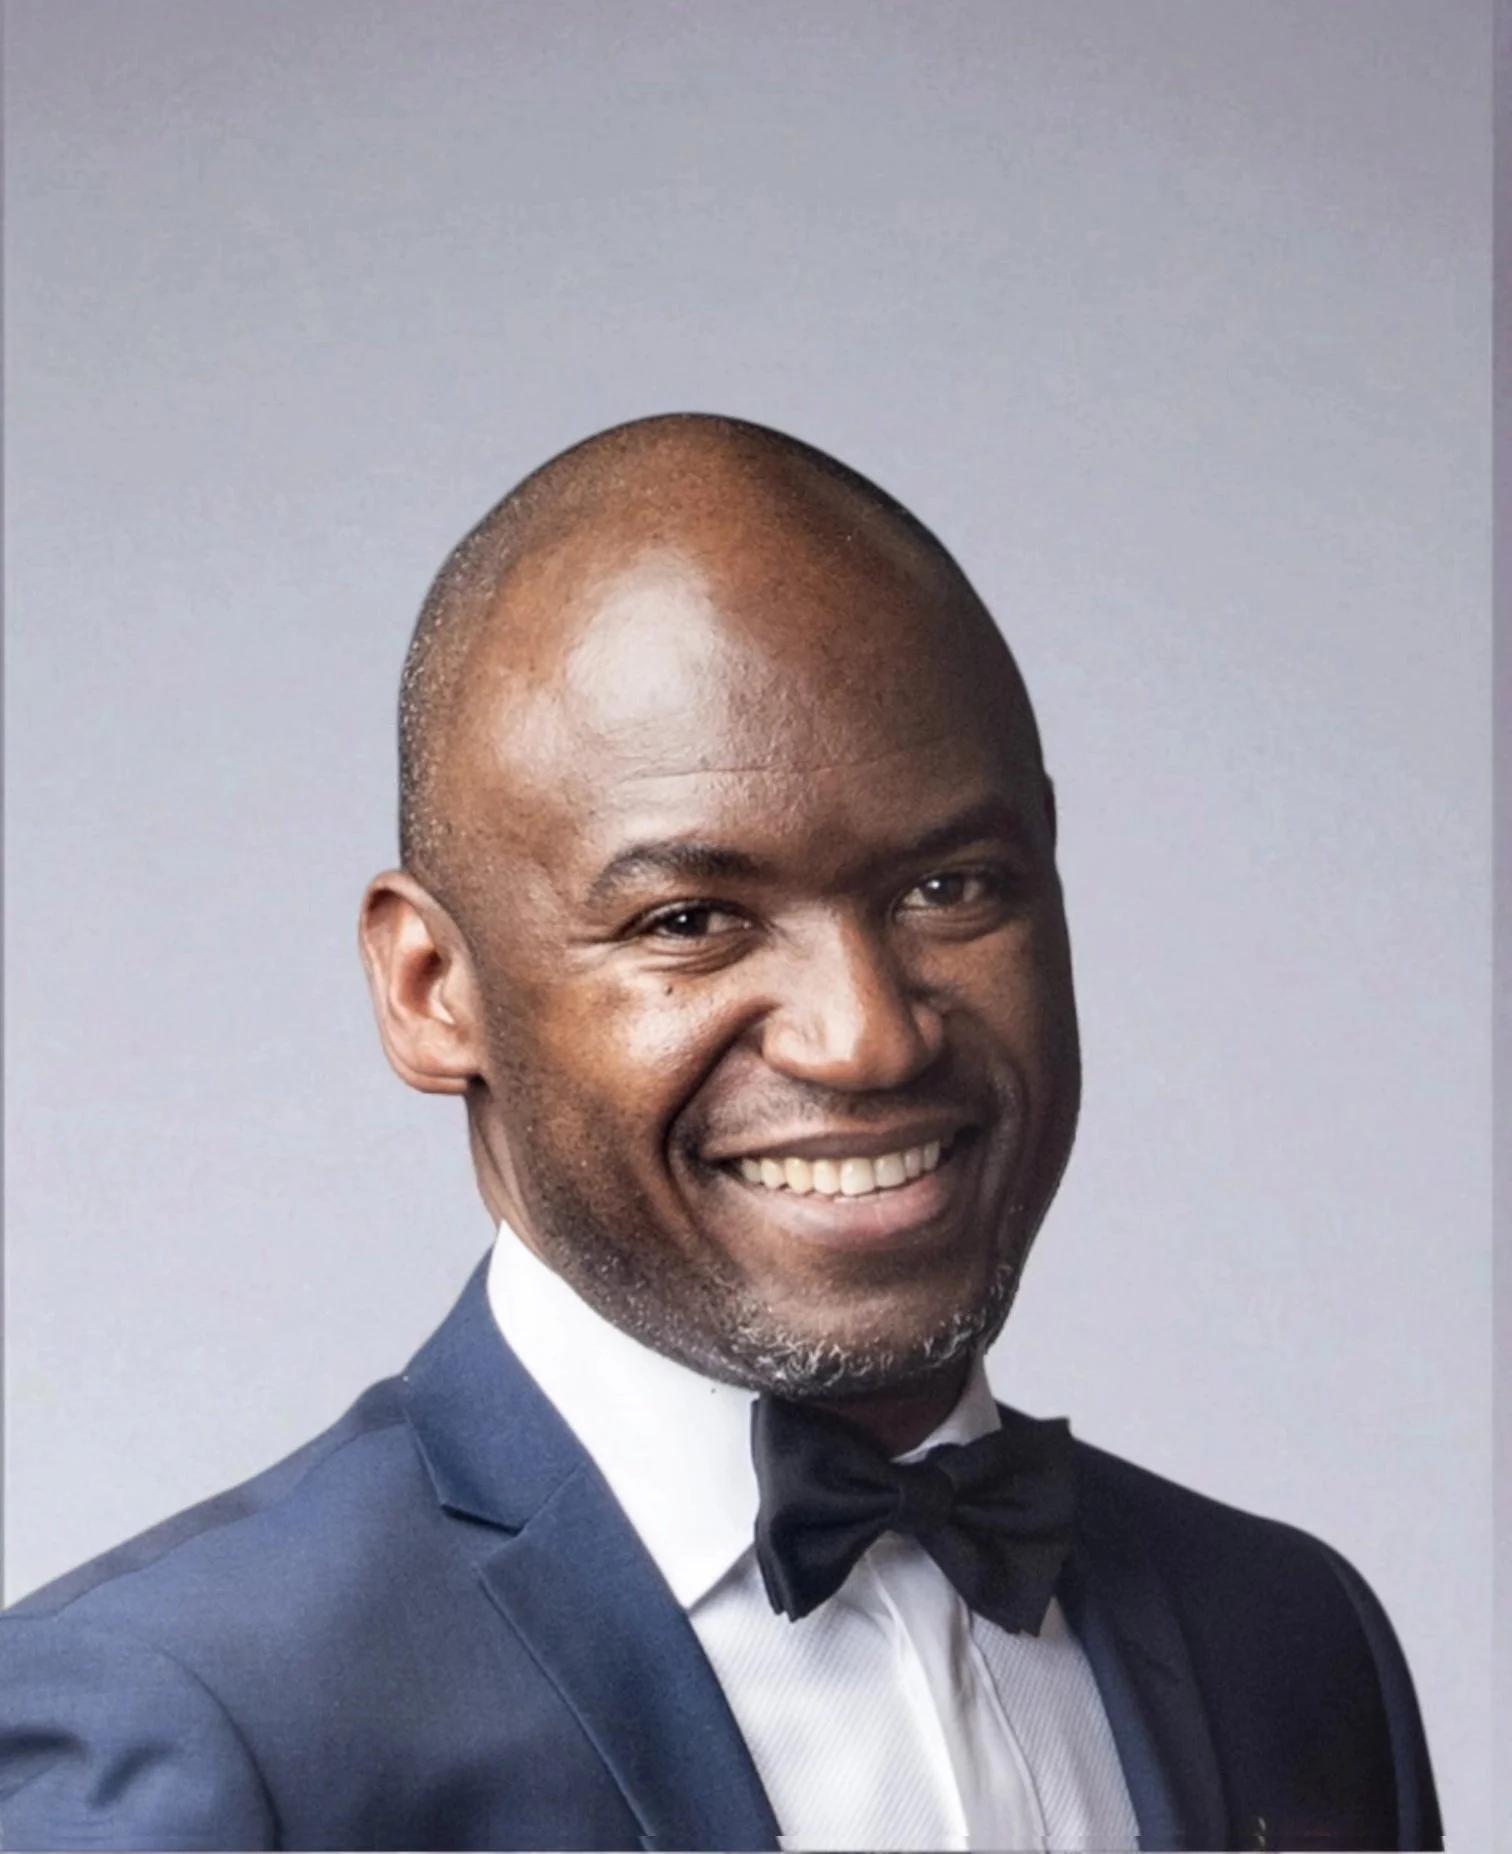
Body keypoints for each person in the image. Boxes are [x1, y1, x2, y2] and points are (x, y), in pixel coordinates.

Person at [0, 415, 1441, 1852]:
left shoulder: (1293, 1643)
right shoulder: (196, 1727)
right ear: (434, 990)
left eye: (951, 886)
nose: (866, 1033)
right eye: (690, 919)